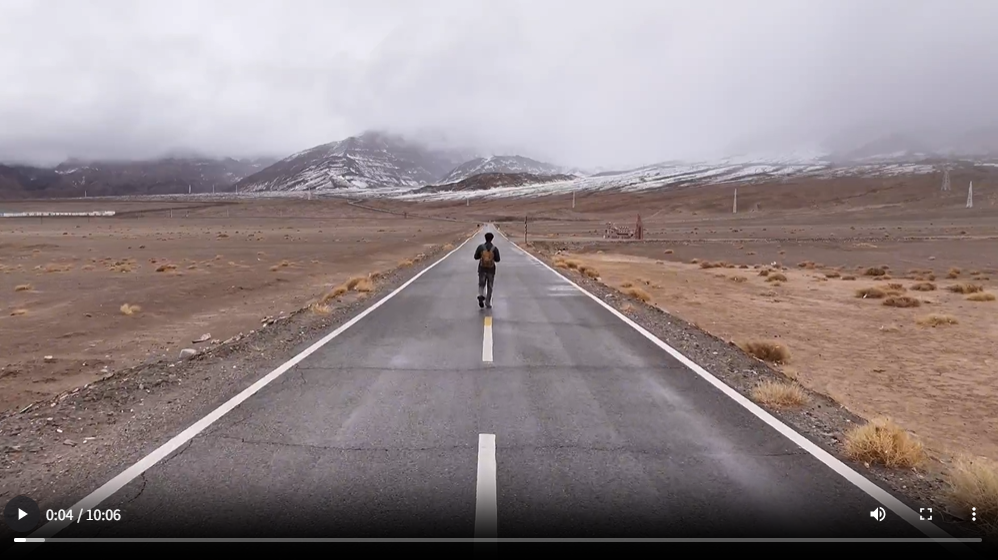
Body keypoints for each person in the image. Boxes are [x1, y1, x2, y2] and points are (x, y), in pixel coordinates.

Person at [473, 232, 500, 308]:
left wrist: (482, 256)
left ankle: (480, 295)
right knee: (490, 286)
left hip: (482, 269)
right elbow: (498, 259)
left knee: (481, 284)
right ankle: (488, 302)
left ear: (485, 238)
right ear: (492, 239)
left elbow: (475, 257)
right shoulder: (494, 248)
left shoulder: (481, 247)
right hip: (491, 270)